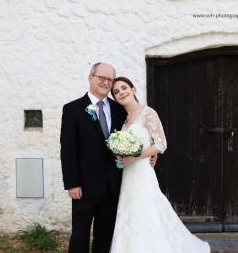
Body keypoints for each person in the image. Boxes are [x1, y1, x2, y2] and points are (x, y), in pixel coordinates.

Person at [60, 63, 156, 253]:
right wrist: (72, 183)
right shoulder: (73, 109)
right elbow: (68, 150)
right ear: (90, 77)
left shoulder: (119, 109)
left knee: (105, 235)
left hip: (114, 185)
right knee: (80, 233)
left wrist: (151, 155)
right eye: (101, 78)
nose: (105, 82)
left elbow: (140, 135)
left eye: (109, 79)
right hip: (84, 186)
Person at [110, 77, 210, 253]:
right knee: (131, 213)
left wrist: (135, 157)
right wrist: (120, 154)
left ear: (133, 90)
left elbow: (161, 144)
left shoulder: (147, 113)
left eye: (124, 88)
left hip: (142, 172)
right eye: (116, 92)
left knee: (148, 211)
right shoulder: (125, 120)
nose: (121, 92)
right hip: (128, 175)